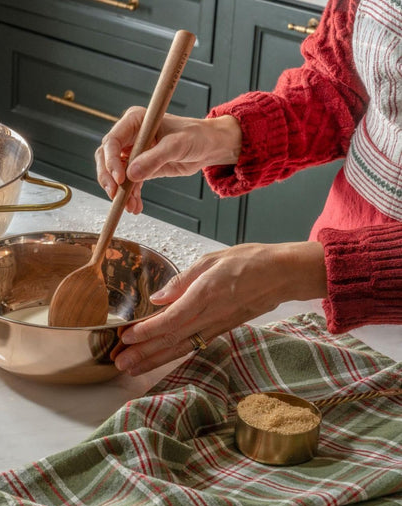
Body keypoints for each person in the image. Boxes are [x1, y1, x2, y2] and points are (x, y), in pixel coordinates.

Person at [94, 0, 402, 376]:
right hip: (330, 292)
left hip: (335, 274)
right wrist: (220, 135)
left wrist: (292, 273)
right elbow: (336, 87)